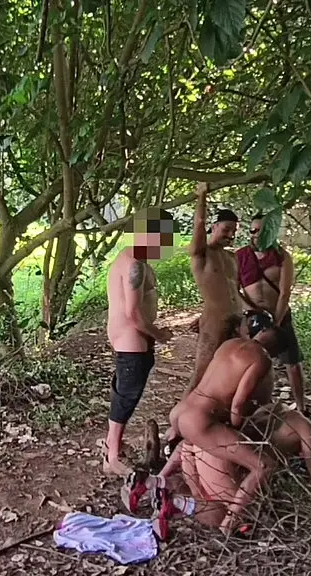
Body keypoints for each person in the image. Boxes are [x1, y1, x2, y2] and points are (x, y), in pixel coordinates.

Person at [128, 312, 285, 534]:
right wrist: (237, 428)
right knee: (263, 465)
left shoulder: (230, 344)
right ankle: (229, 524)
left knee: (192, 443)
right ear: (275, 351)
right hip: (200, 419)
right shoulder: (262, 359)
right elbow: (238, 404)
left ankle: (153, 483)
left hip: (183, 411)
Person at [141, 402, 311, 539]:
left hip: (196, 446)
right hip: (218, 462)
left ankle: (159, 482)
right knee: (239, 514)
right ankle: (178, 504)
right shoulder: (306, 428)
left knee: (199, 490)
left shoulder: (269, 408)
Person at [103, 207, 176, 476]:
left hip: (132, 337)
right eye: (164, 237)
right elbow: (133, 313)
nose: (166, 244)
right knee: (126, 396)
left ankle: (112, 447)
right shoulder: (134, 264)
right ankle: (112, 456)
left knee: (126, 393)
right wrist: (159, 334)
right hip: (130, 337)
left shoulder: (135, 259)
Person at [237, 213, 308, 412]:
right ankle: (251, 406)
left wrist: (276, 321)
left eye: (261, 230)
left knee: (292, 363)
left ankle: (301, 407)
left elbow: (285, 292)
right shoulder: (240, 256)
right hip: (252, 319)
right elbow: (234, 290)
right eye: (252, 230)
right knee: (251, 362)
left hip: (279, 315)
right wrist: (251, 311)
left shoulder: (282, 257)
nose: (255, 234)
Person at [185, 182, 244, 398]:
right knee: (201, 374)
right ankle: (180, 416)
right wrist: (202, 195)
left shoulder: (231, 257)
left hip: (237, 320)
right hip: (216, 321)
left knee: (230, 372)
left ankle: (214, 411)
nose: (230, 235)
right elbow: (199, 223)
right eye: (226, 229)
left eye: (234, 231)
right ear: (214, 226)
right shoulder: (201, 253)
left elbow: (233, 291)